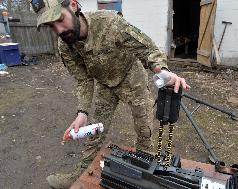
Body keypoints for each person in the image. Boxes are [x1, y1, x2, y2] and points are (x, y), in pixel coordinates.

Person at [30, 0, 190, 188]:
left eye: (59, 19)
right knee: (95, 132)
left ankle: (144, 177)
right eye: (51, 26)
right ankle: (79, 173)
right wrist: (82, 112)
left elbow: (146, 48)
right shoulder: (65, 45)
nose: (58, 30)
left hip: (133, 80)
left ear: (73, 5)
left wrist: (161, 70)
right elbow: (83, 80)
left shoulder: (109, 23)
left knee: (144, 131)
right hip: (106, 85)